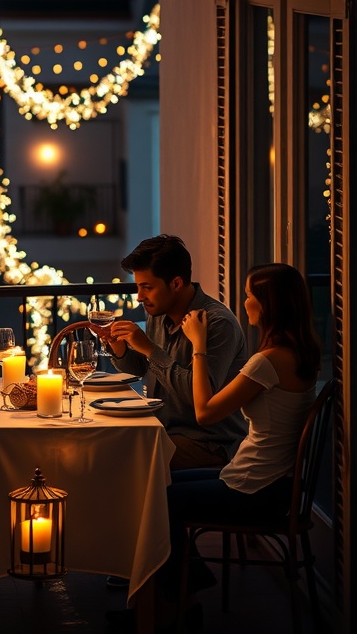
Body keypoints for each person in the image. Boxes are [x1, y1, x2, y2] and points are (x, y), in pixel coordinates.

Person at [107, 261, 322, 633]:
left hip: (258, 488)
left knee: (162, 499)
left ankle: (178, 604)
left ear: (269, 305)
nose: (245, 302)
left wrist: (199, 346)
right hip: (271, 481)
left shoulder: (266, 362)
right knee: (158, 485)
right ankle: (174, 597)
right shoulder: (301, 354)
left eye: (251, 295)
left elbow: (205, 412)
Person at [95, 234, 248, 469]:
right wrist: (120, 348)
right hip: (164, 430)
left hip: (209, 443)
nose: (139, 297)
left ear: (176, 283)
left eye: (147, 287)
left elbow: (197, 399)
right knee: (102, 442)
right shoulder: (159, 312)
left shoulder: (217, 323)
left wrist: (148, 348)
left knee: (121, 460)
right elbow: (141, 368)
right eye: (138, 287)